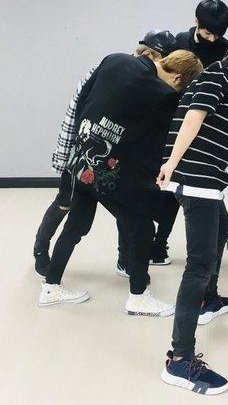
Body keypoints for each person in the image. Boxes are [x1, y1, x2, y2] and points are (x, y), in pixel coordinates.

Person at [38, 48, 203, 317]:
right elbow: (166, 136)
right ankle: (138, 297)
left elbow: (83, 99)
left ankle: (51, 287)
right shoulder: (163, 95)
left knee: (75, 225)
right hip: (109, 175)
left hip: (81, 162)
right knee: (142, 229)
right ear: (177, 78)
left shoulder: (114, 60)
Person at [33, 30, 178, 278]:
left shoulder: (146, 82)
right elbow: (77, 110)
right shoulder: (110, 68)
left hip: (111, 160)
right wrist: (68, 154)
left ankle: (124, 261)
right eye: (162, 60)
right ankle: (40, 251)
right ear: (148, 53)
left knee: (125, 211)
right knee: (65, 204)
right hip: (80, 153)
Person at [157, 45, 228, 394]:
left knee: (223, 228)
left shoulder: (220, 82)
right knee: (198, 266)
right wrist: (171, 164)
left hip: (205, 182)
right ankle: (180, 360)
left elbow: (206, 125)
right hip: (196, 182)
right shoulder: (221, 73)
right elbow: (194, 117)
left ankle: (208, 299)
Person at [151, 0, 228, 266]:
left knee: (197, 188)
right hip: (173, 120)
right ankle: (158, 245)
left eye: (217, 34)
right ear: (196, 21)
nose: (213, 39)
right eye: (208, 33)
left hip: (207, 125)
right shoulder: (178, 42)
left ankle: (203, 248)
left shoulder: (226, 49)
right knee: (169, 188)